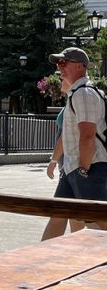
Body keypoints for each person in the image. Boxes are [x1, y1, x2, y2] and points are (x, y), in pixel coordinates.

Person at [48, 47, 107, 230]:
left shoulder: (84, 93)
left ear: (81, 66)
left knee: (99, 220)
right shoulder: (77, 93)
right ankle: (43, 258)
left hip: (90, 168)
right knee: (58, 215)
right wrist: (55, 160)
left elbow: (88, 135)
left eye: (65, 62)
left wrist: (83, 169)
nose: (60, 66)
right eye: (59, 63)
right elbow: (67, 136)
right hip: (73, 168)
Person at [41, 78, 79, 239]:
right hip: (70, 167)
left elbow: (65, 136)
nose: (60, 80)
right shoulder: (72, 100)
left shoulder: (78, 99)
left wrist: (53, 160)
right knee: (68, 214)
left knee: (75, 215)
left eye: (63, 78)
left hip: (75, 167)